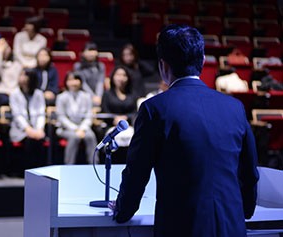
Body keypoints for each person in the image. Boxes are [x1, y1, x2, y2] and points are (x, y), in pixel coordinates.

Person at [109, 24, 259, 237]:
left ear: (163, 65)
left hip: (181, 228)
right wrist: (245, 210)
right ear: (203, 60)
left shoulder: (154, 109)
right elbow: (249, 171)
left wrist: (123, 211)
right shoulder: (234, 107)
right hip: (231, 226)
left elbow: (137, 172)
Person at [56, 72, 98, 164]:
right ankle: (69, 166)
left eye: (76, 79)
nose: (73, 83)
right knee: (74, 137)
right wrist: (76, 129)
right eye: (70, 80)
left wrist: (82, 129)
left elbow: (88, 115)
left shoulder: (86, 96)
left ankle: (94, 165)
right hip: (66, 129)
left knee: (91, 136)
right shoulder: (61, 97)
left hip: (83, 128)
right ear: (66, 82)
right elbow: (61, 117)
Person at [9, 69, 46, 171]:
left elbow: (41, 113)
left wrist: (39, 129)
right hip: (20, 130)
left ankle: (39, 171)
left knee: (40, 140)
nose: (22, 78)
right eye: (21, 75)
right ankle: (27, 171)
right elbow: (17, 115)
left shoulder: (38, 94)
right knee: (30, 141)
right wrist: (27, 129)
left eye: (25, 75)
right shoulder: (15, 94)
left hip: (36, 129)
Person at [73, 42, 105, 106]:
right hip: (83, 95)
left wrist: (98, 96)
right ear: (83, 53)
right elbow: (82, 83)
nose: (91, 53)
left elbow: (100, 82)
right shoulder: (77, 66)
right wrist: (92, 96)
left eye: (93, 50)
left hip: (98, 97)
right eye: (89, 50)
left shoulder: (101, 66)